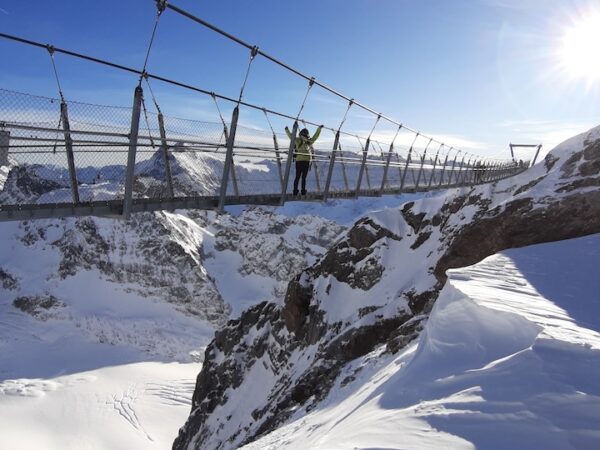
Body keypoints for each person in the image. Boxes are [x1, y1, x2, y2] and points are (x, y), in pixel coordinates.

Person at [285, 125, 322, 196]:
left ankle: (295, 191)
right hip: (307, 161)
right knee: (304, 177)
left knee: (297, 177)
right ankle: (303, 191)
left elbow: (291, 136)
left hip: (299, 161)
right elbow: (315, 136)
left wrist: (287, 130)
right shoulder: (309, 141)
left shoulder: (297, 140)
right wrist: (319, 129)